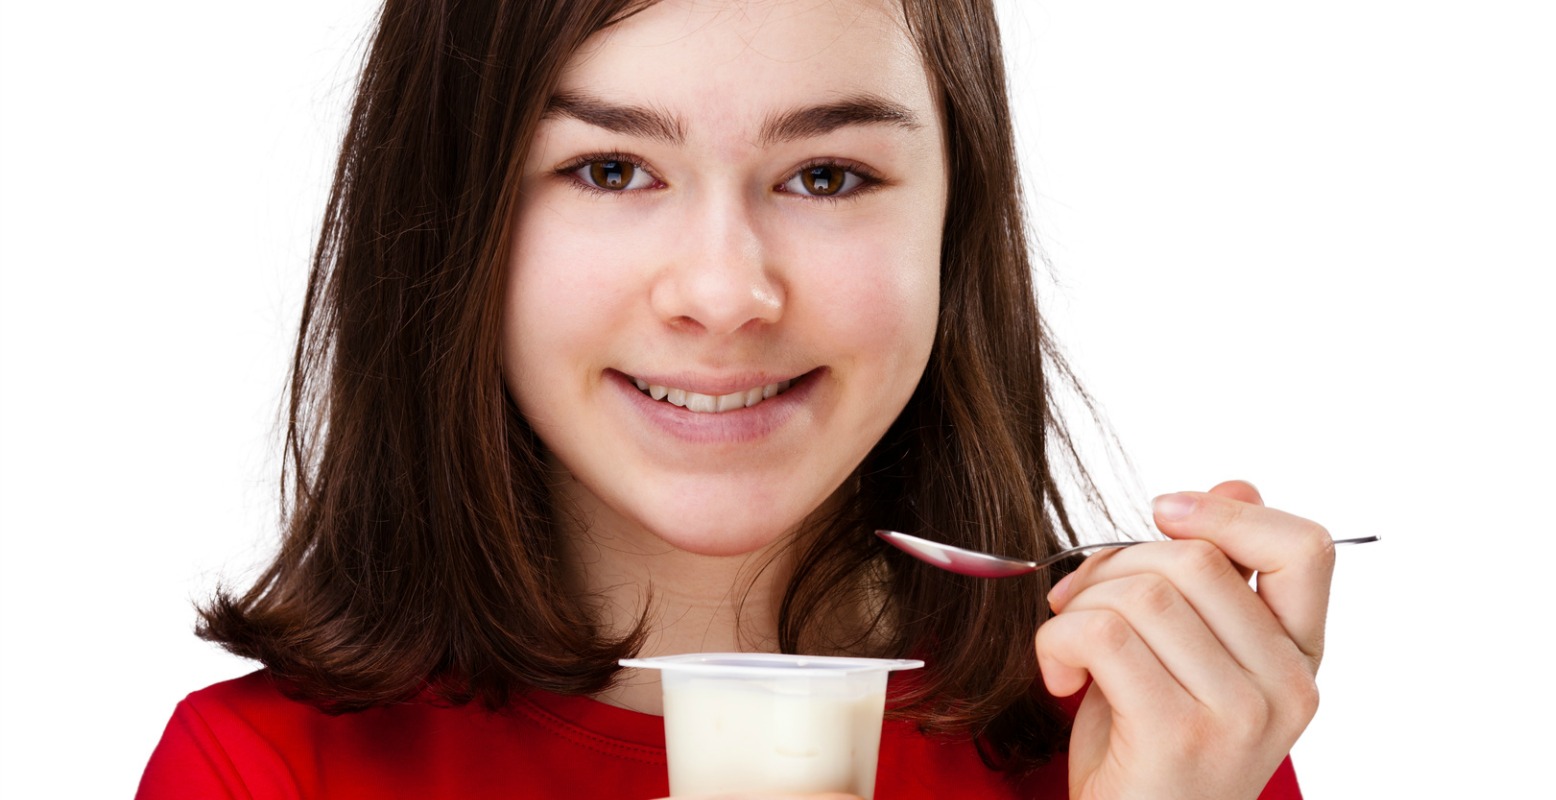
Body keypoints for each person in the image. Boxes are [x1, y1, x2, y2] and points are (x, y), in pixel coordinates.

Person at [136, 0, 1337, 797]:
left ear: (953, 226)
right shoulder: (264, 770)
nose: (725, 291)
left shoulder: (1171, 736)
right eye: (610, 169)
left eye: (826, 174)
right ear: (454, 223)